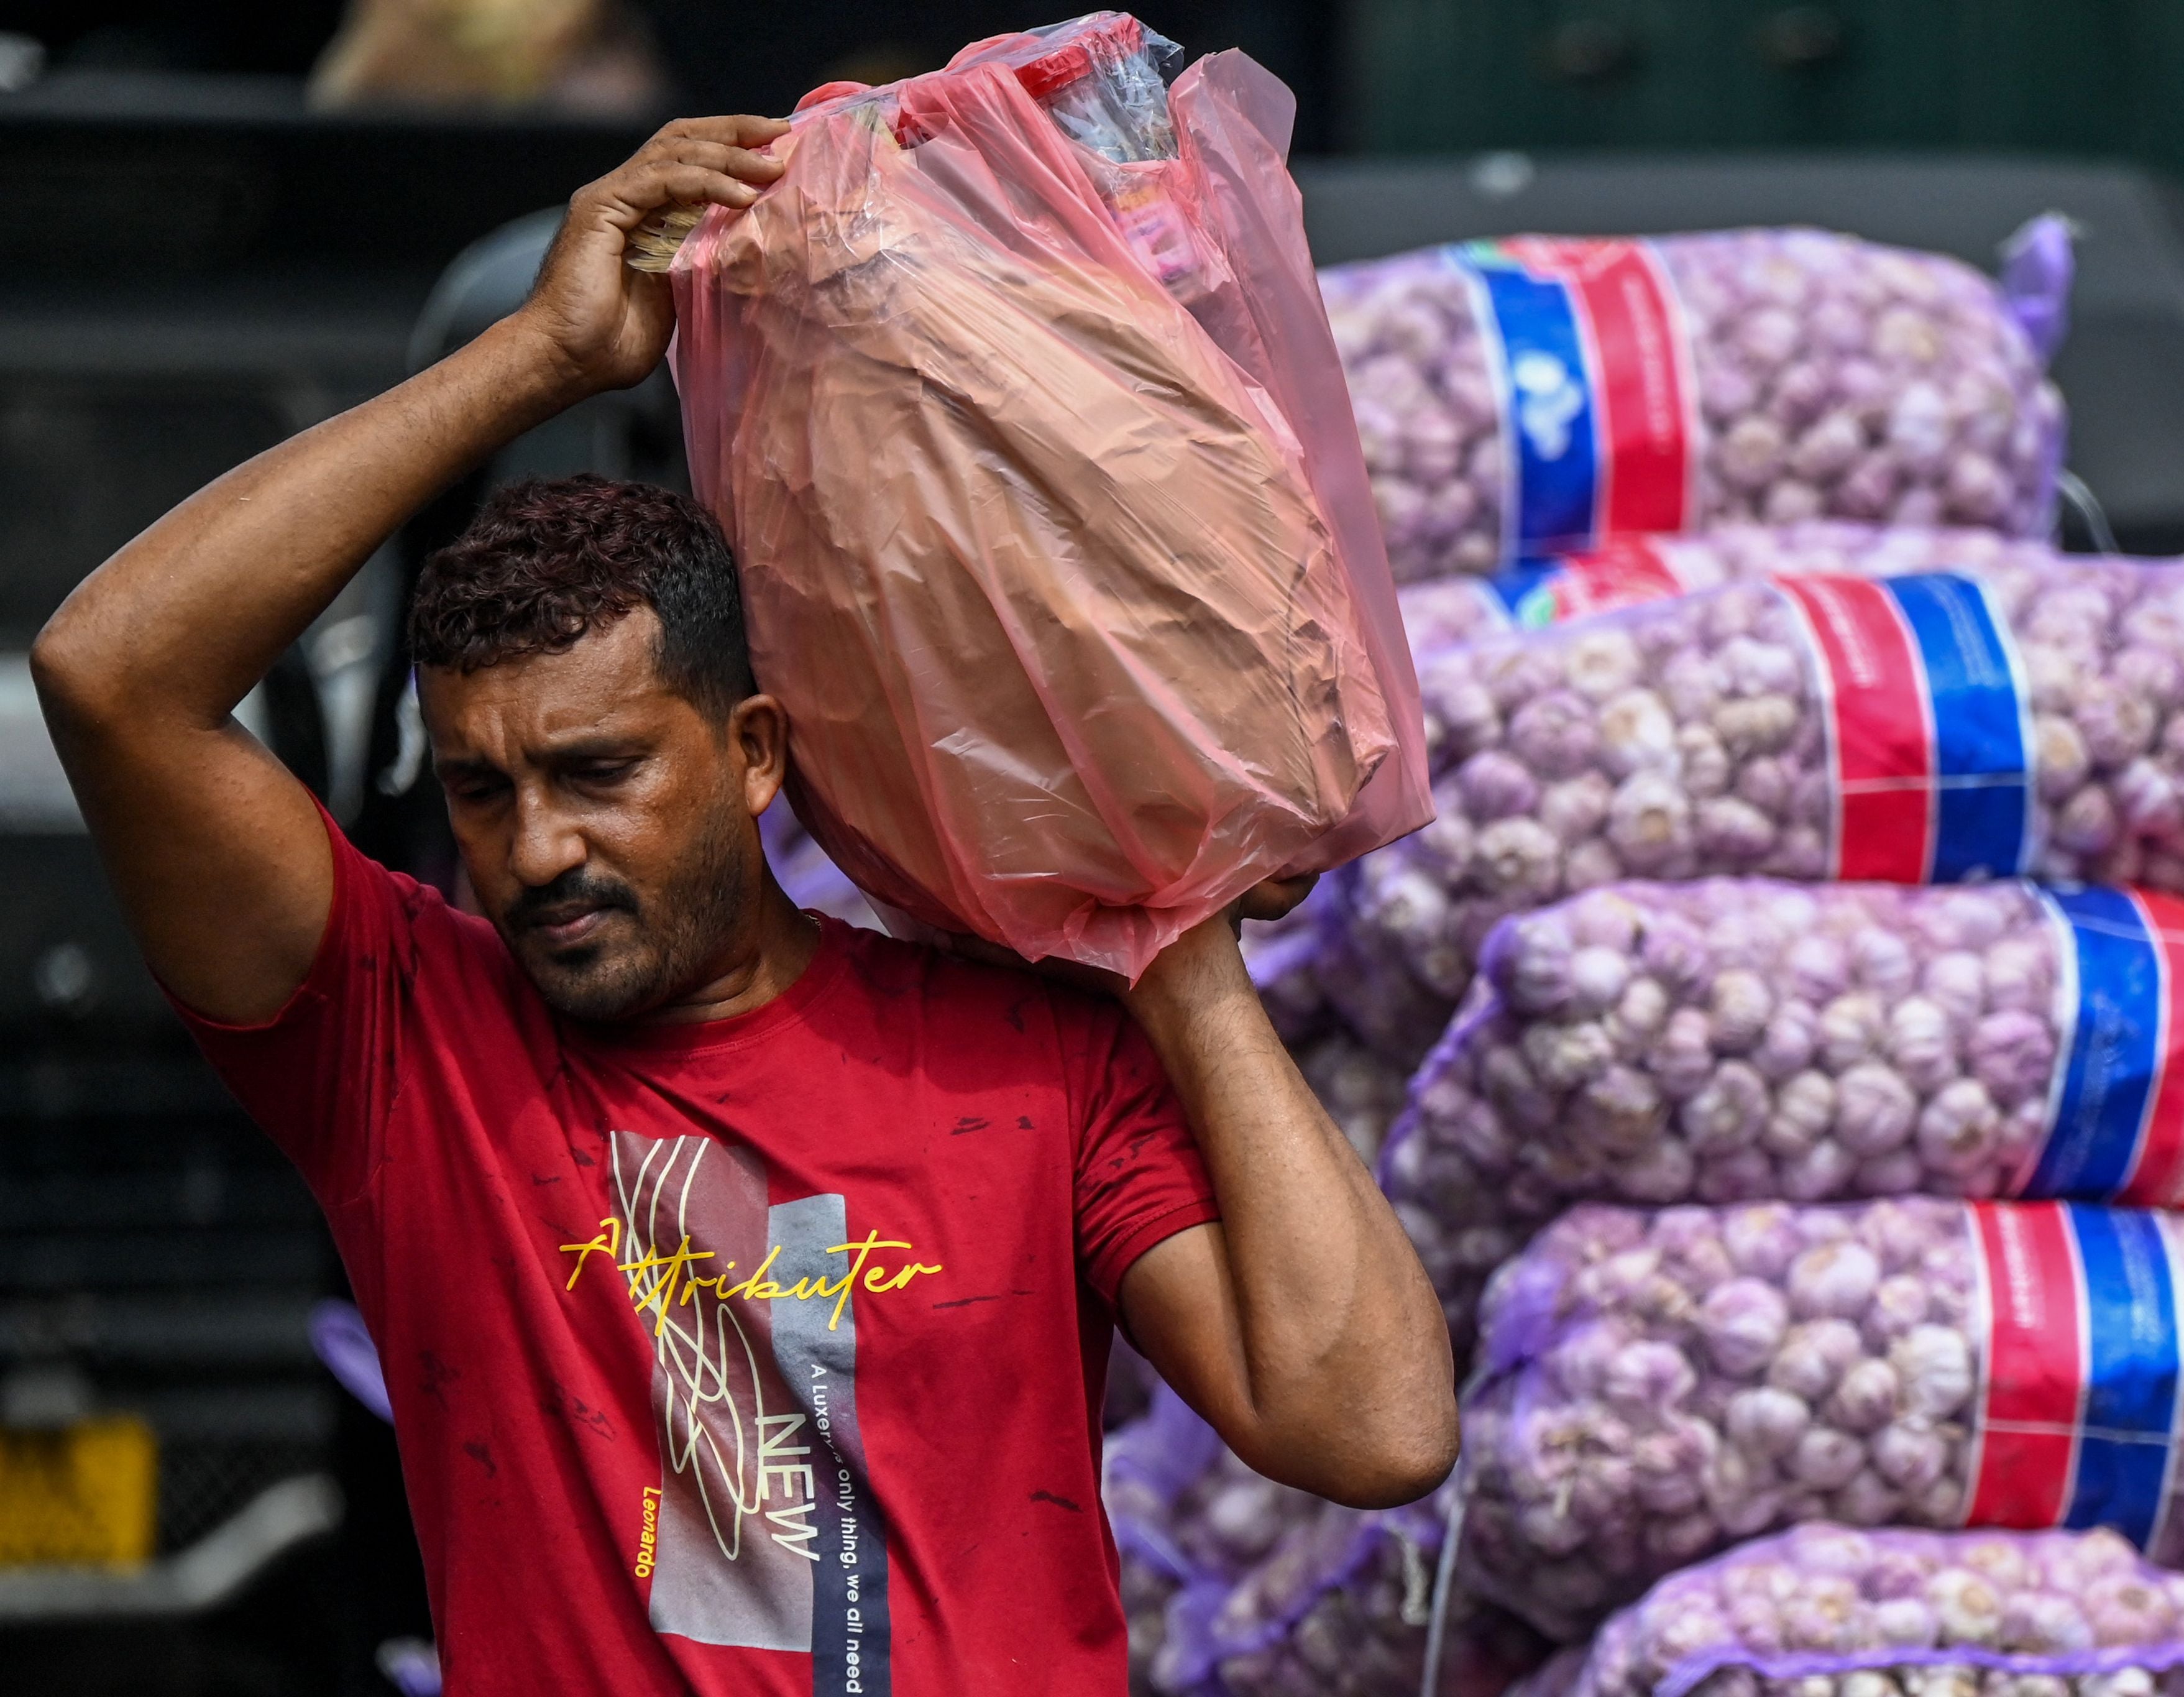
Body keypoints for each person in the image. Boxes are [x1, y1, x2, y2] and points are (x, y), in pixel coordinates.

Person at [33, 117, 1456, 1693]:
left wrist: (1176, 953)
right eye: (483, 792)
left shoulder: (1020, 1058)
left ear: (754, 751)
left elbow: (1372, 1431)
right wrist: (540, 360)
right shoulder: (403, 1048)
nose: (539, 849)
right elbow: (115, 676)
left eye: (595, 773)